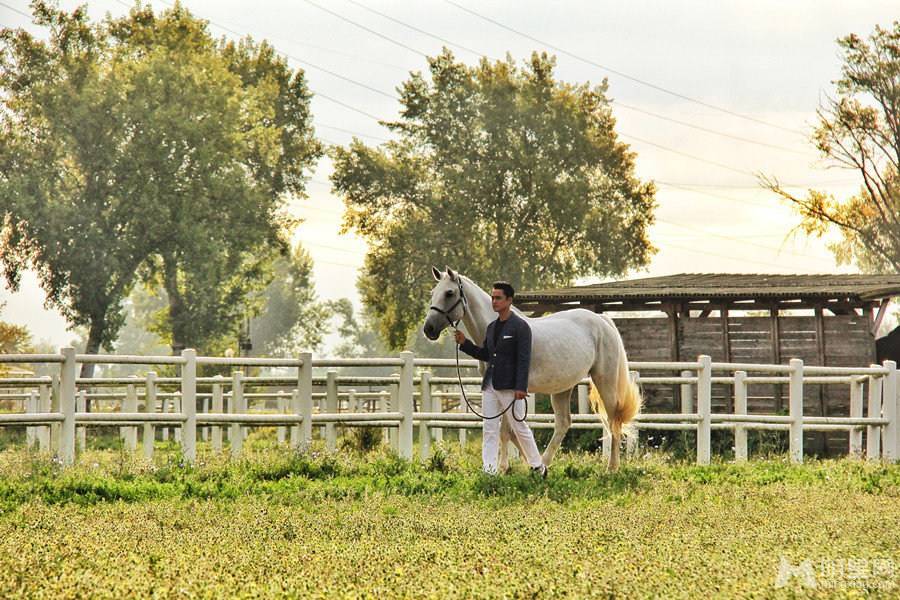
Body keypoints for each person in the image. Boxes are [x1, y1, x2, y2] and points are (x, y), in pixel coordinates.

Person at [454, 281, 547, 477]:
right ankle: (489, 471)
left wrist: (521, 386)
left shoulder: (521, 327)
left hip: (511, 387)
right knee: (489, 428)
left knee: (519, 426)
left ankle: (538, 466)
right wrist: (465, 344)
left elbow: (524, 359)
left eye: (498, 298)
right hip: (490, 385)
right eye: (493, 297)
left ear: (509, 300)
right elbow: (486, 354)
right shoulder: (491, 328)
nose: (494, 301)